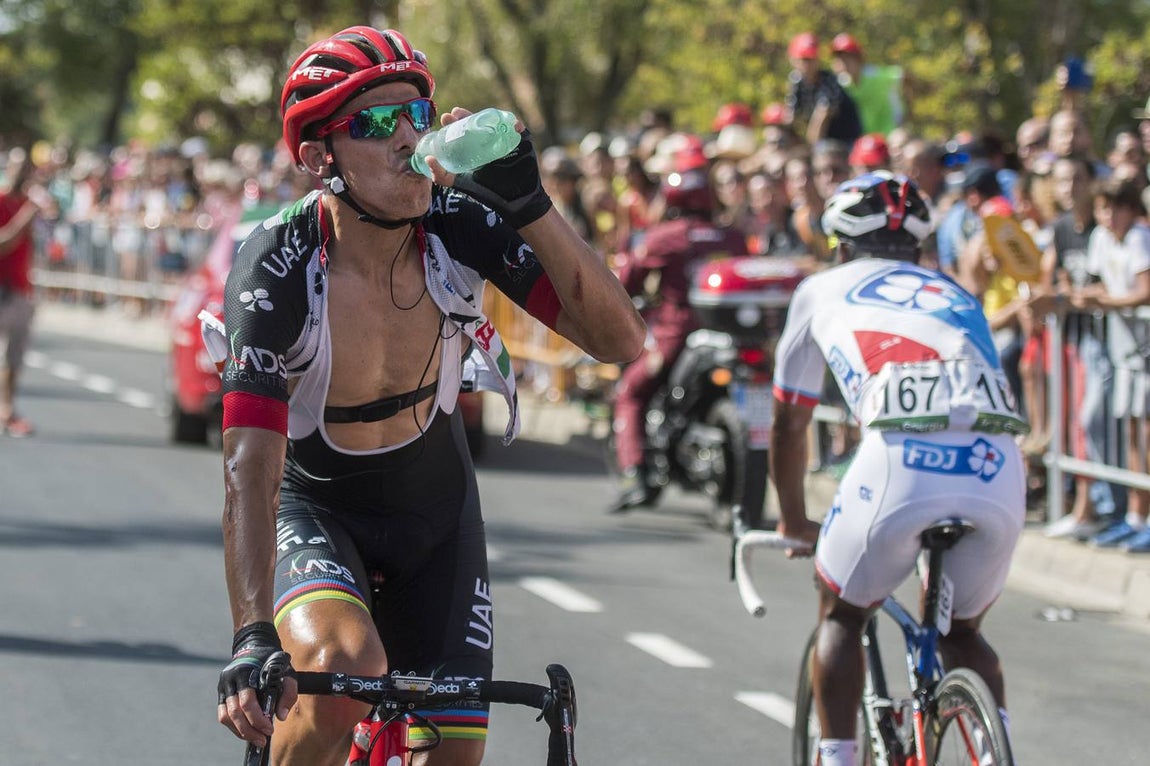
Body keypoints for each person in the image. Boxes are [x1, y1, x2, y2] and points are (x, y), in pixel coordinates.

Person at [210, 26, 644, 766]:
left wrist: (531, 205)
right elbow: (249, 468)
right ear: (319, 156)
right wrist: (253, 634)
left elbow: (620, 341)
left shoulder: (457, 224)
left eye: (421, 114)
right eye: (379, 124)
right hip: (318, 505)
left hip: (435, 512)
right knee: (342, 676)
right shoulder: (276, 263)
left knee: (453, 752)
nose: (411, 138)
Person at [770, 172, 1027, 766]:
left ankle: (835, 757)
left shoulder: (820, 288)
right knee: (962, 632)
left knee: (842, 613)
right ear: (918, 248)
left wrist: (791, 518)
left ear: (838, 244)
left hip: (900, 462)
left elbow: (788, 424)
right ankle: (994, 746)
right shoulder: (957, 293)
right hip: (996, 465)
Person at [609, 157, 748, 511]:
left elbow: (626, 282)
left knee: (630, 393)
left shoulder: (664, 237)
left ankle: (634, 474)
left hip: (678, 335)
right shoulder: (734, 237)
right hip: (730, 336)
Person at [0, 148, 41, 438]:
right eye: (17, 168)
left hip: (19, 288)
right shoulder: (3, 202)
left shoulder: (27, 203)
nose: (22, 174)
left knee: (14, 356)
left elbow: (30, 248)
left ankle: (7, 410)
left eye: (27, 169)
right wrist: (25, 218)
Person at [784, 32, 863, 148]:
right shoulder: (796, 81)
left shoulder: (829, 82)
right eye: (804, 59)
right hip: (826, 140)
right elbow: (790, 117)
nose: (808, 65)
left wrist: (811, 149)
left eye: (811, 59)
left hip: (846, 140)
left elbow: (821, 118)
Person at [828, 33, 904, 136]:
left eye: (848, 58)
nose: (843, 63)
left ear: (859, 58)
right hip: (861, 140)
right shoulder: (841, 84)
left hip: (889, 135)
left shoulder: (876, 75)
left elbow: (903, 76)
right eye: (840, 58)